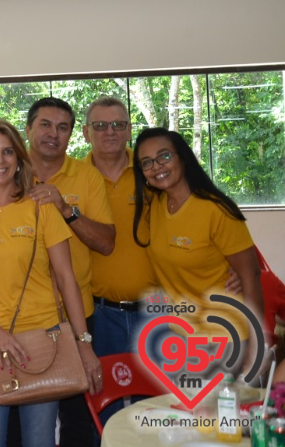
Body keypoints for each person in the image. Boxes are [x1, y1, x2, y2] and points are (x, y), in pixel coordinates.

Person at [0, 120, 102, 447]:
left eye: (7, 152)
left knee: (40, 440)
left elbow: (66, 278)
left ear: (18, 160)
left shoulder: (40, 206)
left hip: (42, 338)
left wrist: (83, 342)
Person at [21, 96, 114, 447]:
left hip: (77, 315)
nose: (53, 134)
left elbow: (106, 242)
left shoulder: (87, 176)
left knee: (77, 417)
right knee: (21, 412)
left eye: (63, 128)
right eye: (45, 124)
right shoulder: (7, 171)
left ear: (72, 135)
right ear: (28, 128)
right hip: (24, 317)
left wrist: (65, 209)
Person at [133, 127, 263, 376]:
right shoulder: (156, 205)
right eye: (146, 162)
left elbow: (250, 275)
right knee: (190, 414)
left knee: (219, 414)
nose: (157, 166)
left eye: (164, 156)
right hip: (181, 336)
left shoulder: (216, 210)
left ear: (182, 157)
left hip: (224, 338)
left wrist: (255, 349)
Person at [82, 98, 155, 356]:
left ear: (129, 130)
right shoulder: (74, 179)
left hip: (155, 312)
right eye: (100, 125)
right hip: (98, 315)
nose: (110, 131)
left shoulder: (154, 173)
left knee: (159, 395)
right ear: (86, 132)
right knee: (105, 394)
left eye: (118, 124)